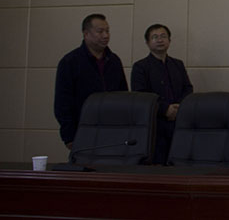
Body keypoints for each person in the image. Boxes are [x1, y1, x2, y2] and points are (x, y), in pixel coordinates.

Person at [54, 14, 128, 149]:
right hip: (83, 131)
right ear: (86, 34)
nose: (105, 35)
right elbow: (62, 103)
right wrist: (69, 136)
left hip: (114, 132)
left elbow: (123, 96)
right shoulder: (70, 62)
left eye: (107, 31)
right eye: (100, 31)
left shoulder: (114, 61)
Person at [131, 24, 194, 165]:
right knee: (157, 164)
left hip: (178, 122)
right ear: (147, 42)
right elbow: (141, 96)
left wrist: (179, 108)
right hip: (154, 124)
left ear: (169, 40)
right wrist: (165, 109)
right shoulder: (140, 67)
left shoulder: (178, 64)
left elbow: (188, 88)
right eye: (155, 37)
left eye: (163, 36)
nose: (160, 40)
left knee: (179, 162)